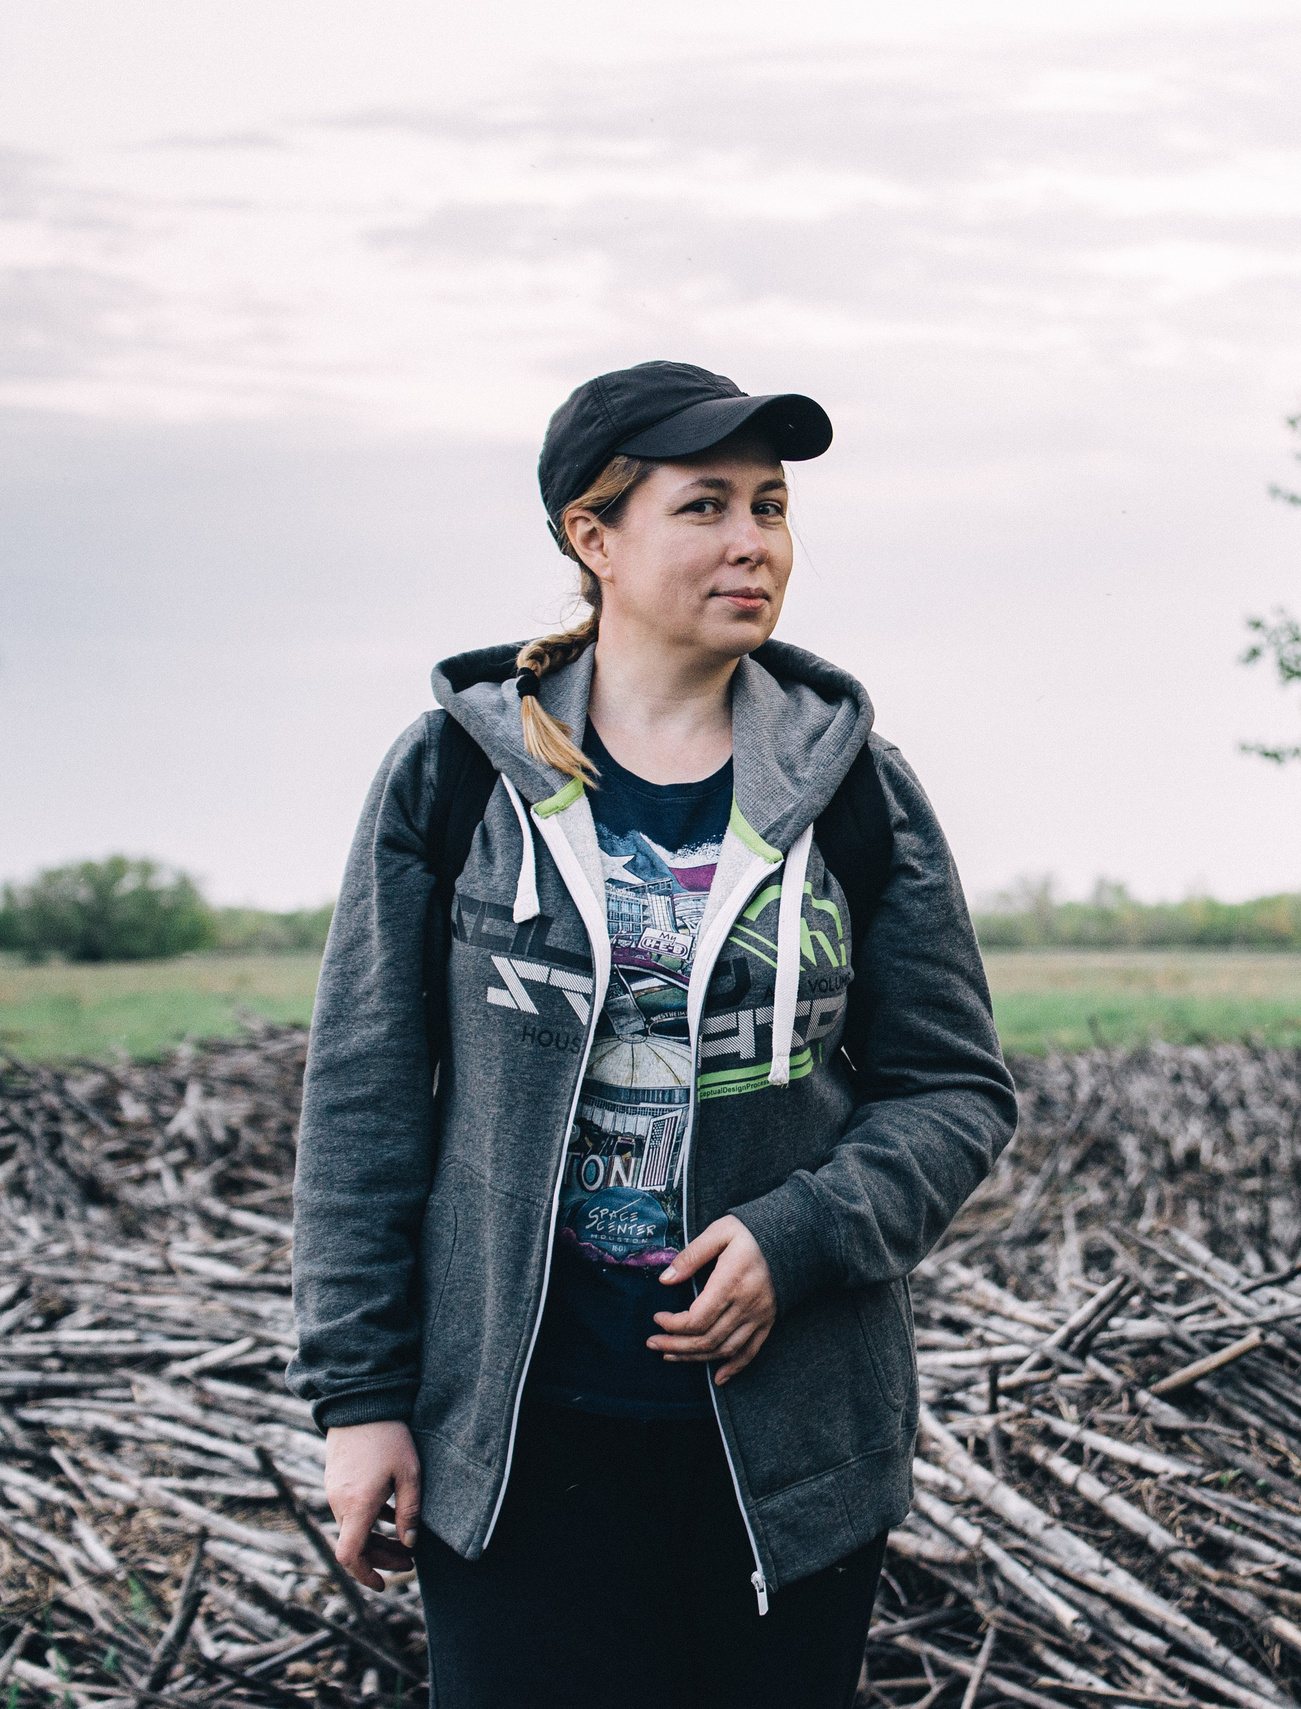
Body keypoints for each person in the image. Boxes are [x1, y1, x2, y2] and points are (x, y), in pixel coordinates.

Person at [288, 360, 1017, 1706]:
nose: (753, 542)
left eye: (772, 505)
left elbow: (954, 1090)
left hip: (785, 1461)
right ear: (593, 536)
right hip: (512, 1448)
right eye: (704, 507)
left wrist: (799, 1234)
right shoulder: (455, 774)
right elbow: (362, 1104)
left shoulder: (854, 788)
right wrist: (359, 1399)